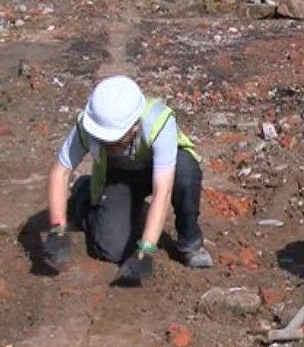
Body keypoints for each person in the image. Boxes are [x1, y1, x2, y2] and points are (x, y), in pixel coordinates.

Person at [41, 76, 213, 284]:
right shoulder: (90, 122)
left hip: (160, 172)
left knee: (186, 171)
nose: (106, 145)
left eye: (114, 141)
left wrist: (146, 250)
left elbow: (162, 191)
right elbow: (60, 171)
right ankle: (84, 196)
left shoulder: (159, 122)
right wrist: (58, 228)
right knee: (112, 249)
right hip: (120, 176)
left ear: (134, 128)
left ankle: (190, 243)